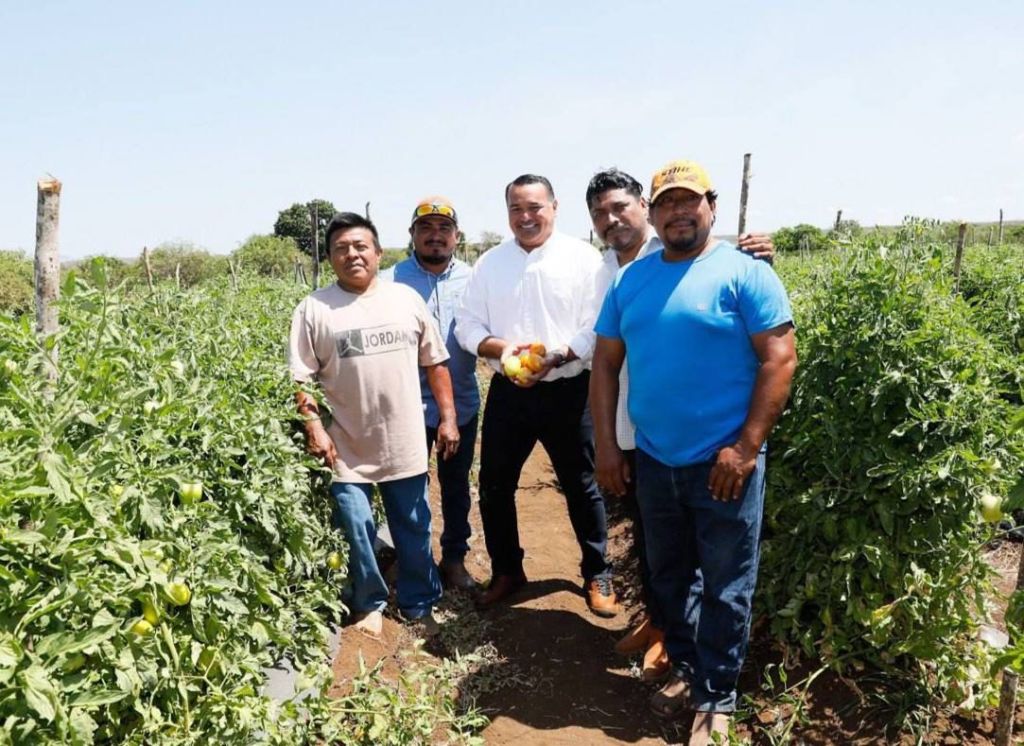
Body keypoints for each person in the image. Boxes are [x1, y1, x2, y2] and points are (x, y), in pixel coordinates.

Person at [591, 160, 796, 744]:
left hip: (724, 463)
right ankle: (685, 665)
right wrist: (607, 444)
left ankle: (718, 698)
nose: (679, 212)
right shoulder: (632, 281)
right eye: (667, 203)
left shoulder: (744, 273)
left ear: (711, 206)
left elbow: (779, 358)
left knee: (729, 581)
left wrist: (745, 447)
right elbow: (606, 364)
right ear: (653, 215)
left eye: (690, 201)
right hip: (657, 458)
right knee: (670, 573)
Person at [454, 174, 619, 616]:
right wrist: (503, 351)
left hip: (569, 390)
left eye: (534, 207)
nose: (525, 217)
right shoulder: (490, 264)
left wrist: (560, 355)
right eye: (516, 209)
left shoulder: (584, 260)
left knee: (582, 484)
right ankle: (508, 570)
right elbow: (467, 325)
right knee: (494, 485)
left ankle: (596, 570)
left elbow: (598, 325)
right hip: (510, 393)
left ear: (554, 206)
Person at [289, 211, 459, 637]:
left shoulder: (405, 300)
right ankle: (370, 603)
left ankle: (420, 602)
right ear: (329, 258)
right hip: (346, 444)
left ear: (379, 252)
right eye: (341, 249)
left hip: (402, 440)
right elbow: (299, 378)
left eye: (360, 246)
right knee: (357, 525)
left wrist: (449, 419)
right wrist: (314, 426)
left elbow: (435, 363)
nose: (352, 255)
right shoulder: (314, 309)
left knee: (414, 524)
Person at [381, 196, 479, 591]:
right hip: (406, 406)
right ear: (412, 235)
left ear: (456, 237)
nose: (435, 236)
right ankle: (416, 567)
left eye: (443, 229)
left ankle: (454, 560)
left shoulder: (474, 278)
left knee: (456, 486)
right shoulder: (388, 282)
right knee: (410, 489)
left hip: (462, 403)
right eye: (426, 229)